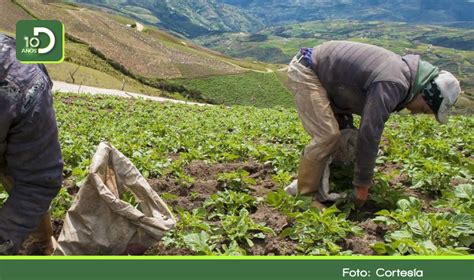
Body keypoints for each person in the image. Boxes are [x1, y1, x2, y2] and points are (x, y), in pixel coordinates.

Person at [285, 40, 461, 209]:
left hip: (333, 85)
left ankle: (331, 178)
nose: (416, 113)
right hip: (307, 70)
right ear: (424, 94)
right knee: (327, 136)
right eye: (423, 109)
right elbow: (370, 133)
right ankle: (305, 197)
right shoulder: (394, 83)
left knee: (347, 141)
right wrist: (362, 185)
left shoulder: (403, 80)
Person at [0, 33, 63, 254]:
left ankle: (43, 245)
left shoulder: (25, 85)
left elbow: (37, 182)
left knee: (18, 180)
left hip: (13, 136)